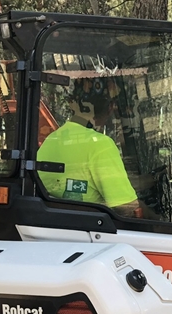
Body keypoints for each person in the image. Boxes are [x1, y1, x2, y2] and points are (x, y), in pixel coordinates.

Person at [36, 88, 143, 218]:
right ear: (110, 107)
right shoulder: (100, 144)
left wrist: (152, 179)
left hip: (58, 223)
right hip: (92, 228)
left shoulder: (52, 140)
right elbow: (126, 208)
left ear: (73, 104)